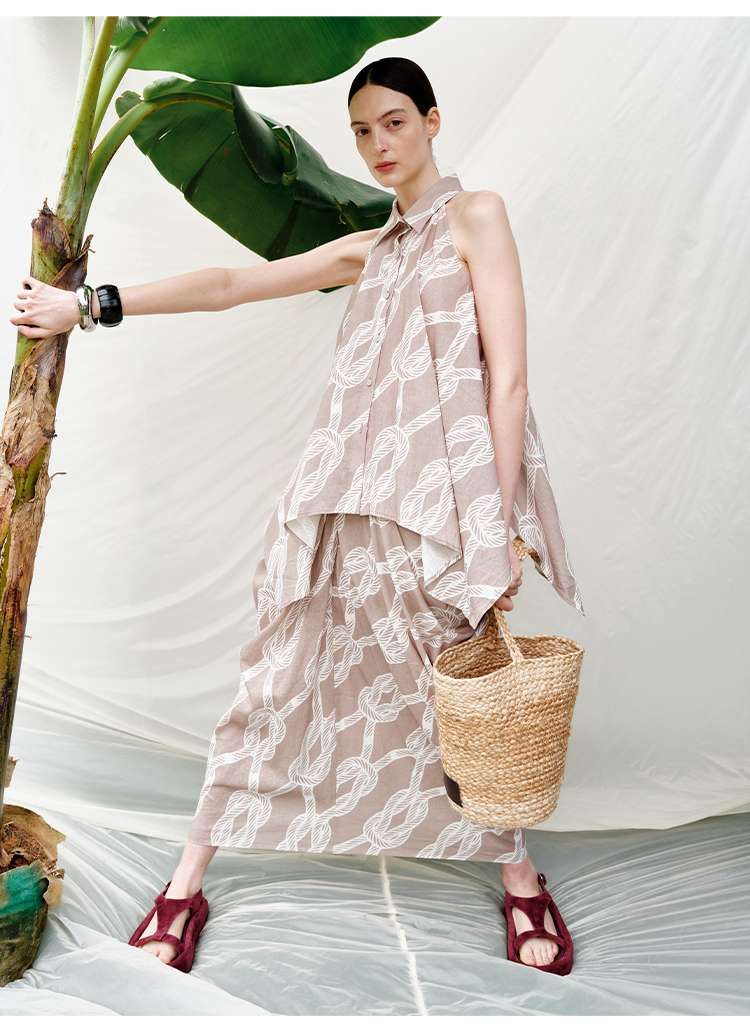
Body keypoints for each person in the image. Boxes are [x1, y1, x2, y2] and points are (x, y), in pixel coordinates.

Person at [11, 57, 583, 977]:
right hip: (338, 500)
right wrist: (87, 305)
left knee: (454, 698)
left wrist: (496, 526)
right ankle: (189, 879)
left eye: (394, 122)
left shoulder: (479, 216)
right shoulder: (370, 248)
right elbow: (231, 284)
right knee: (273, 680)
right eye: (361, 131)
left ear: (432, 121)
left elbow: (508, 378)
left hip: (436, 510)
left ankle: (520, 878)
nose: (378, 144)